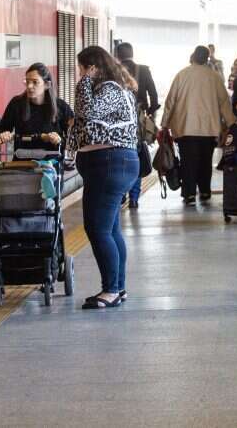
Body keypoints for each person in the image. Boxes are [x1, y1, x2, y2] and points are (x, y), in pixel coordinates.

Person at [66, 46, 140, 309]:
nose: (80, 73)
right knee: (110, 229)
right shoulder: (116, 88)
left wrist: (85, 80)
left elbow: (89, 112)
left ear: (93, 67)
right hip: (110, 164)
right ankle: (118, 288)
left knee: (97, 229)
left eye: (83, 68)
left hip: (110, 163)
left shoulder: (109, 88)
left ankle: (111, 290)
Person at [161, 45, 236, 204]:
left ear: (193, 56)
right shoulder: (214, 76)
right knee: (205, 161)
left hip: (185, 127)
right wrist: (231, 123)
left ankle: (189, 194)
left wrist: (165, 123)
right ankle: (205, 191)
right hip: (208, 128)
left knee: (188, 161)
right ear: (207, 59)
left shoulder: (182, 75)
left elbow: (170, 101)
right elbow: (224, 102)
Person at [115, 42, 158, 209]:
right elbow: (154, 96)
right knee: (137, 158)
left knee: (120, 158)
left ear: (117, 56)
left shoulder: (113, 71)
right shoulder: (144, 70)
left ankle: (121, 195)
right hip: (138, 123)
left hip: (118, 124)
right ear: (132, 53)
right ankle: (134, 197)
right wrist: (149, 115)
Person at [0, 63, 73, 152]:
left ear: (47, 85)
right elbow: (1, 128)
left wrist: (59, 140)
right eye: (27, 82)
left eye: (35, 82)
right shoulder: (16, 104)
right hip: (22, 161)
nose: (29, 86)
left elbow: (73, 139)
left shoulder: (61, 106)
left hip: (51, 162)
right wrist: (2, 134)